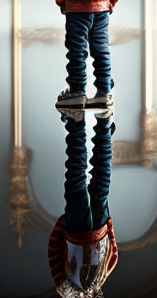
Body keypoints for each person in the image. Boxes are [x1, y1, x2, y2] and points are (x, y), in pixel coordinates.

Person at [48, 109, 117, 298]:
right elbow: (113, 256)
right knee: (100, 179)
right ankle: (103, 125)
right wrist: (108, 226)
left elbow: (54, 254)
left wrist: (64, 224)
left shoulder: (67, 290)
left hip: (77, 232)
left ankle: (76, 122)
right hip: (98, 230)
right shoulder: (100, 279)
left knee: (78, 176)